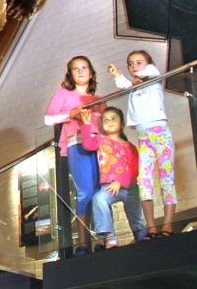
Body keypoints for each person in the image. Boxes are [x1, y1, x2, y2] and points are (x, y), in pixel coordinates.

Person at [107, 50, 177, 237]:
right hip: (144, 137)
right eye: (130, 64)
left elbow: (151, 72)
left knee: (167, 179)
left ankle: (168, 225)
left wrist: (139, 75)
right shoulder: (134, 86)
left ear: (148, 63)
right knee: (145, 180)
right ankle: (151, 227)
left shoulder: (153, 78)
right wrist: (117, 74)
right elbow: (125, 85)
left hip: (161, 134)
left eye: (138, 62)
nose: (134, 66)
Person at [45, 55, 102, 254]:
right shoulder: (63, 94)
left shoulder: (98, 99)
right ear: (70, 73)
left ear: (91, 72)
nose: (80, 71)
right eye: (75, 68)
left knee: (99, 191)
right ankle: (83, 242)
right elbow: (48, 119)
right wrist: (72, 114)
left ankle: (102, 238)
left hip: (99, 146)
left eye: (84, 67)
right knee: (85, 191)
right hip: (76, 143)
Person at [80, 106, 148, 250]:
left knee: (135, 214)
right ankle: (111, 238)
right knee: (99, 199)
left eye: (113, 119)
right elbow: (88, 145)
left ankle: (141, 235)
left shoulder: (130, 147)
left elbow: (134, 169)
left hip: (129, 186)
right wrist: (86, 124)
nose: (109, 122)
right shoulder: (101, 140)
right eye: (105, 120)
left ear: (121, 123)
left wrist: (120, 182)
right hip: (108, 186)